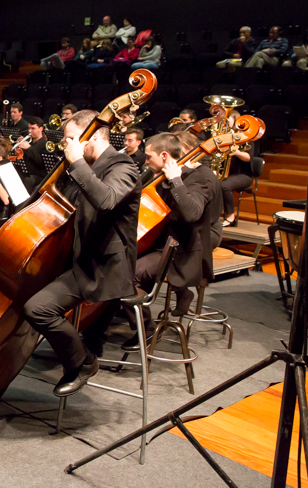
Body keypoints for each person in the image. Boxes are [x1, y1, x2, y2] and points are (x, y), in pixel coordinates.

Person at [22, 109, 140, 396]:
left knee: (37, 308)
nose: (68, 146)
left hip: (103, 267)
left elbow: (106, 200)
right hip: (78, 256)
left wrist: (75, 162)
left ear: (96, 136)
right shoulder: (86, 164)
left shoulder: (123, 165)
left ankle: (84, 361)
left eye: (73, 139)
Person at [112, 133, 217, 347]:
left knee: (128, 275)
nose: (146, 160)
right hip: (157, 243)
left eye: (149, 156)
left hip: (179, 250)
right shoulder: (155, 174)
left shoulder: (197, 177)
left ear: (165, 155)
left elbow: (192, 214)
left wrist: (176, 180)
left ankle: (147, 330)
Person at [220, 111, 258, 226]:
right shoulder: (224, 137)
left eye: (228, 119)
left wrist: (235, 152)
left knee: (224, 186)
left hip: (244, 175)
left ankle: (230, 217)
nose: (225, 121)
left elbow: (248, 157)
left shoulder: (247, 138)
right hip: (227, 173)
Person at [17, 116, 47, 192]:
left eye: (33, 128)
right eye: (29, 128)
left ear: (41, 129)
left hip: (38, 175)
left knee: (28, 180)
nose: (30, 131)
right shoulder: (28, 141)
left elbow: (41, 162)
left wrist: (29, 148)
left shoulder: (45, 144)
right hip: (26, 171)